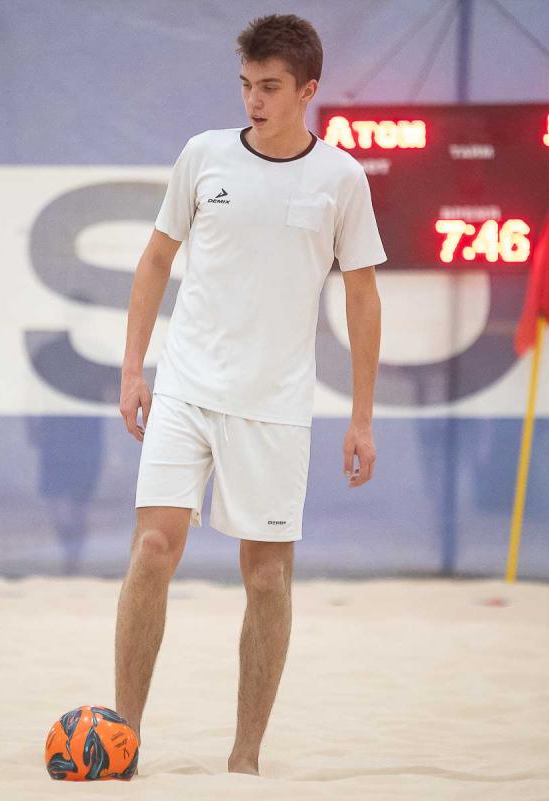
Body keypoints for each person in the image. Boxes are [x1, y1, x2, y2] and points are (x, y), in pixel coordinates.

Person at [113, 14, 386, 776]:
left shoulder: (342, 179)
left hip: (275, 407)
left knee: (267, 577)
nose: (254, 101)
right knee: (153, 549)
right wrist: (133, 370)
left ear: (308, 90)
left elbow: (363, 298)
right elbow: (154, 260)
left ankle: (244, 760)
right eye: (245, 86)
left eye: (270, 87)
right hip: (186, 388)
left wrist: (362, 417)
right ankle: (123, 740)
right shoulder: (203, 156)